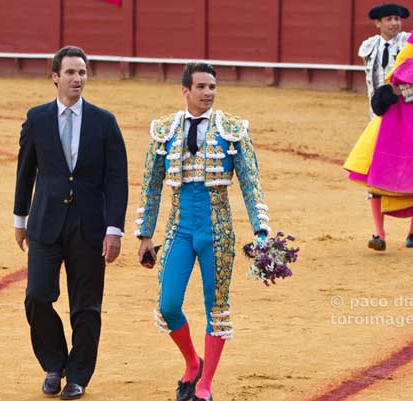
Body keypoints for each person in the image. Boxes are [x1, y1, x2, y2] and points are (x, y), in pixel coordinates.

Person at [135, 63, 270, 401]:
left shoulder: (233, 129)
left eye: (212, 86)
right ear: (185, 90)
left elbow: (251, 184)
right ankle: (192, 362)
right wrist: (145, 235)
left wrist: (262, 232)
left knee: (217, 306)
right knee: (168, 305)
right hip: (178, 227)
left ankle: (206, 385)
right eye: (201, 87)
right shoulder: (164, 130)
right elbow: (151, 186)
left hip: (218, 229)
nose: (208, 93)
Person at [13, 45, 128, 399]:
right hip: (46, 222)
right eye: (71, 72)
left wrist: (114, 229)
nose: (77, 78)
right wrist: (20, 217)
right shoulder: (36, 119)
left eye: (82, 73)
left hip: (90, 226)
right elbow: (25, 170)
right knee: (36, 297)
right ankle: (54, 364)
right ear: (55, 77)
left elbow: (117, 178)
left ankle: (78, 375)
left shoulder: (104, 121)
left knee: (86, 305)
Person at [356, 3, 413, 251]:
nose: (394, 23)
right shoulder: (369, 48)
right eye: (389, 19)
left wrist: (400, 92)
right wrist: (377, 107)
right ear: (378, 23)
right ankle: (378, 234)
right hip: (379, 120)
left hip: (410, 119)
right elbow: (373, 86)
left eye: (397, 18)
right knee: (375, 174)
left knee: (411, 174)